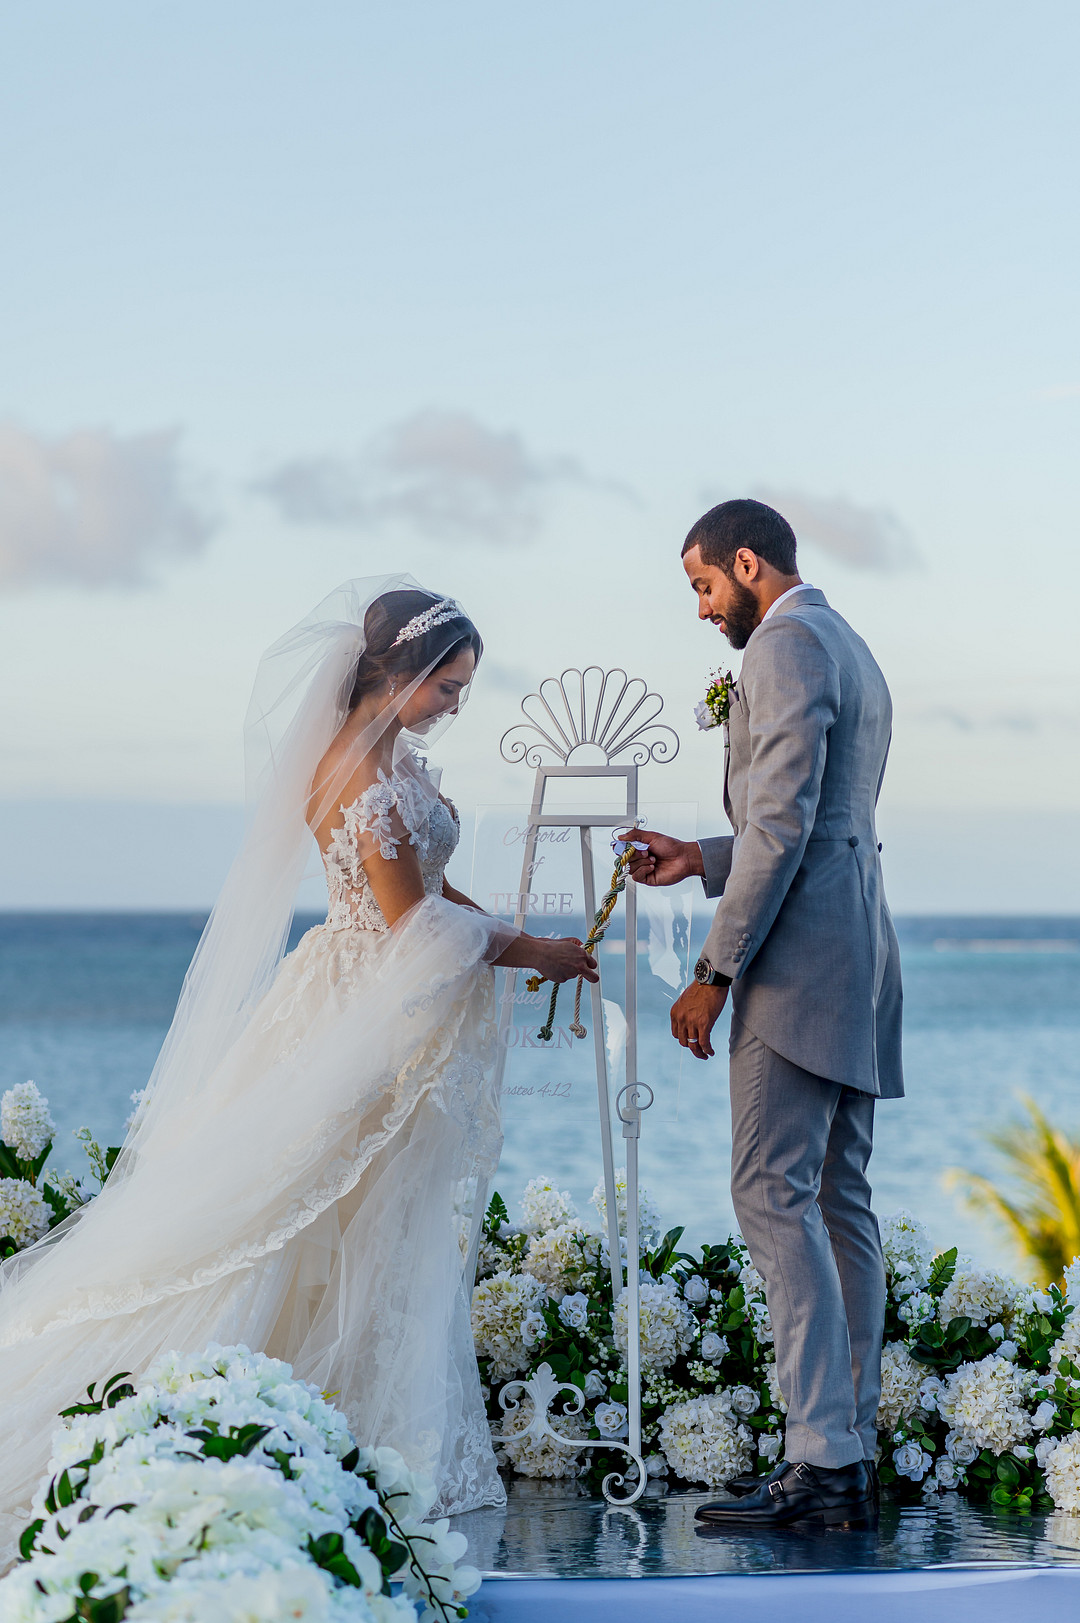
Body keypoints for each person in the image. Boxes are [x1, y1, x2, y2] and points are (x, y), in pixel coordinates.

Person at [0, 576, 597, 1559]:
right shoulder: (359, 777)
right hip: (364, 1008)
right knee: (315, 1212)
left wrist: (516, 935)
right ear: (398, 673)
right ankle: (294, 1423)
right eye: (448, 684)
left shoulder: (392, 763)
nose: (458, 703)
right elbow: (414, 922)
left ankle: (343, 1418)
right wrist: (530, 954)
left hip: (379, 993)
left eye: (464, 687)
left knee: (368, 1218)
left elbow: (441, 888)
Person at [628, 500, 903, 1530]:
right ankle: (850, 1453)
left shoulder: (782, 648)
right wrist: (700, 857)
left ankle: (821, 1460)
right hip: (860, 954)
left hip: (795, 969)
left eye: (704, 586)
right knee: (837, 1201)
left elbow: (782, 825)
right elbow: (823, 824)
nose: (703, 611)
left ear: (749, 563)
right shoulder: (852, 645)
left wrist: (712, 968)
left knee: (769, 1195)